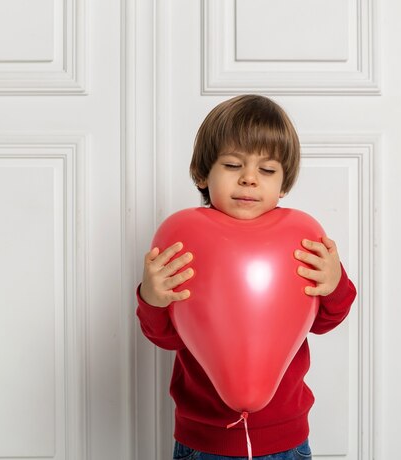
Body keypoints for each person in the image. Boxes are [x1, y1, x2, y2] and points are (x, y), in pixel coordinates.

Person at [136, 95, 357, 459]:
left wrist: (335, 285)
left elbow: (324, 321)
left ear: (284, 184)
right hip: (203, 441)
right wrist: (152, 298)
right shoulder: (183, 241)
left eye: (267, 171)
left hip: (285, 440)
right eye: (233, 164)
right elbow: (167, 337)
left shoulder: (301, 239)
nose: (250, 179)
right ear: (202, 173)